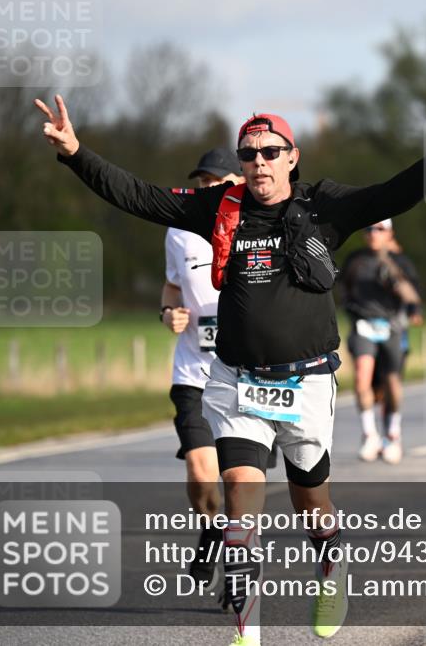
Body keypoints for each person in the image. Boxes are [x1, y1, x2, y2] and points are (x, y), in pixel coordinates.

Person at [36, 90, 426, 645]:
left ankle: (331, 564)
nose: (258, 163)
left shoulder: (324, 206)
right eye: (248, 154)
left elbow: (394, 192)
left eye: (270, 152)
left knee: (309, 501)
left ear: (292, 156)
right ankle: (248, 631)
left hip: (306, 381)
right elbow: (141, 197)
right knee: (239, 497)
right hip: (236, 380)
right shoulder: (220, 207)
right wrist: (76, 152)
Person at [160, 148, 246, 603]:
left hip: (246, 376)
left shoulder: (256, 227)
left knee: (237, 481)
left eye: (216, 183)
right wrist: (168, 311)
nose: (206, 190)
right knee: (200, 473)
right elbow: (173, 285)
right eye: (201, 183)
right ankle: (212, 530)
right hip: (193, 370)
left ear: (238, 182)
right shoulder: (179, 230)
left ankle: (233, 564)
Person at [340, 218, 421, 465]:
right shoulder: (355, 260)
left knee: (392, 383)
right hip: (363, 325)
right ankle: (370, 434)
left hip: (392, 327)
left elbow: (412, 297)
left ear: (389, 234)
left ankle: (392, 434)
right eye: (369, 229)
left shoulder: (400, 262)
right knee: (362, 378)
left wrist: (391, 270)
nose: (373, 234)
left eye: (379, 229)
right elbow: (342, 289)